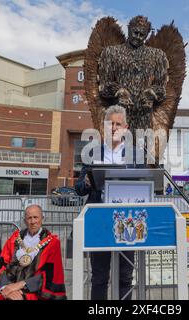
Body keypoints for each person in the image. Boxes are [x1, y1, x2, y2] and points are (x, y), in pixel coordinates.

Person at [75, 105, 136, 300]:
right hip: (99, 221)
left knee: (125, 276)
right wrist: (85, 182)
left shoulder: (136, 155)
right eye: (111, 124)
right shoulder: (92, 153)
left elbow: (146, 183)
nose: (114, 128)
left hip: (128, 222)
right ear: (104, 127)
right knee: (99, 276)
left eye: (118, 124)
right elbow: (79, 188)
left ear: (126, 128)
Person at [98, 15, 169, 132]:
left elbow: (161, 89)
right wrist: (118, 91)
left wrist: (152, 92)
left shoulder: (158, 56)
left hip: (144, 117)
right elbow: (104, 86)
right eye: (135, 33)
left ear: (146, 35)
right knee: (118, 149)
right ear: (129, 29)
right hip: (118, 116)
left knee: (142, 149)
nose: (138, 37)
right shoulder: (111, 52)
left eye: (142, 35)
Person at [0, 204, 66, 300]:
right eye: (29, 218)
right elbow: (2, 265)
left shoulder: (52, 243)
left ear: (42, 218)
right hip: (10, 286)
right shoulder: (14, 239)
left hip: (36, 290)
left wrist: (21, 286)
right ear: (24, 220)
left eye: (36, 217)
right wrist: (5, 287)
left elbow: (51, 274)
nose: (33, 221)